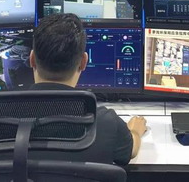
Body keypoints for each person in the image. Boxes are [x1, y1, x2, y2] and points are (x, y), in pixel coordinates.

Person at [29, 13, 147, 165]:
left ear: (32, 59)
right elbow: (132, 150)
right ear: (84, 62)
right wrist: (135, 131)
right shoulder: (105, 122)